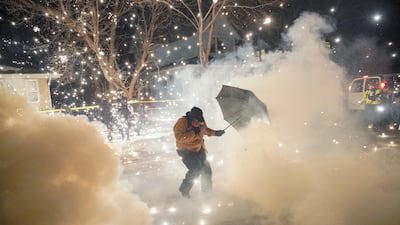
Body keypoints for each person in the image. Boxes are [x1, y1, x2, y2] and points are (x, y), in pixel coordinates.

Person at [173, 106, 225, 198]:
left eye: (200, 120)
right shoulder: (182, 122)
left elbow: (205, 130)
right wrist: (193, 132)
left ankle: (207, 193)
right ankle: (184, 189)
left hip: (199, 149)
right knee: (195, 169)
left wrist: (216, 133)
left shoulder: (200, 121)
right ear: (192, 118)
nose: (199, 122)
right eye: (197, 121)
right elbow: (179, 138)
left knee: (206, 169)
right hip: (186, 151)